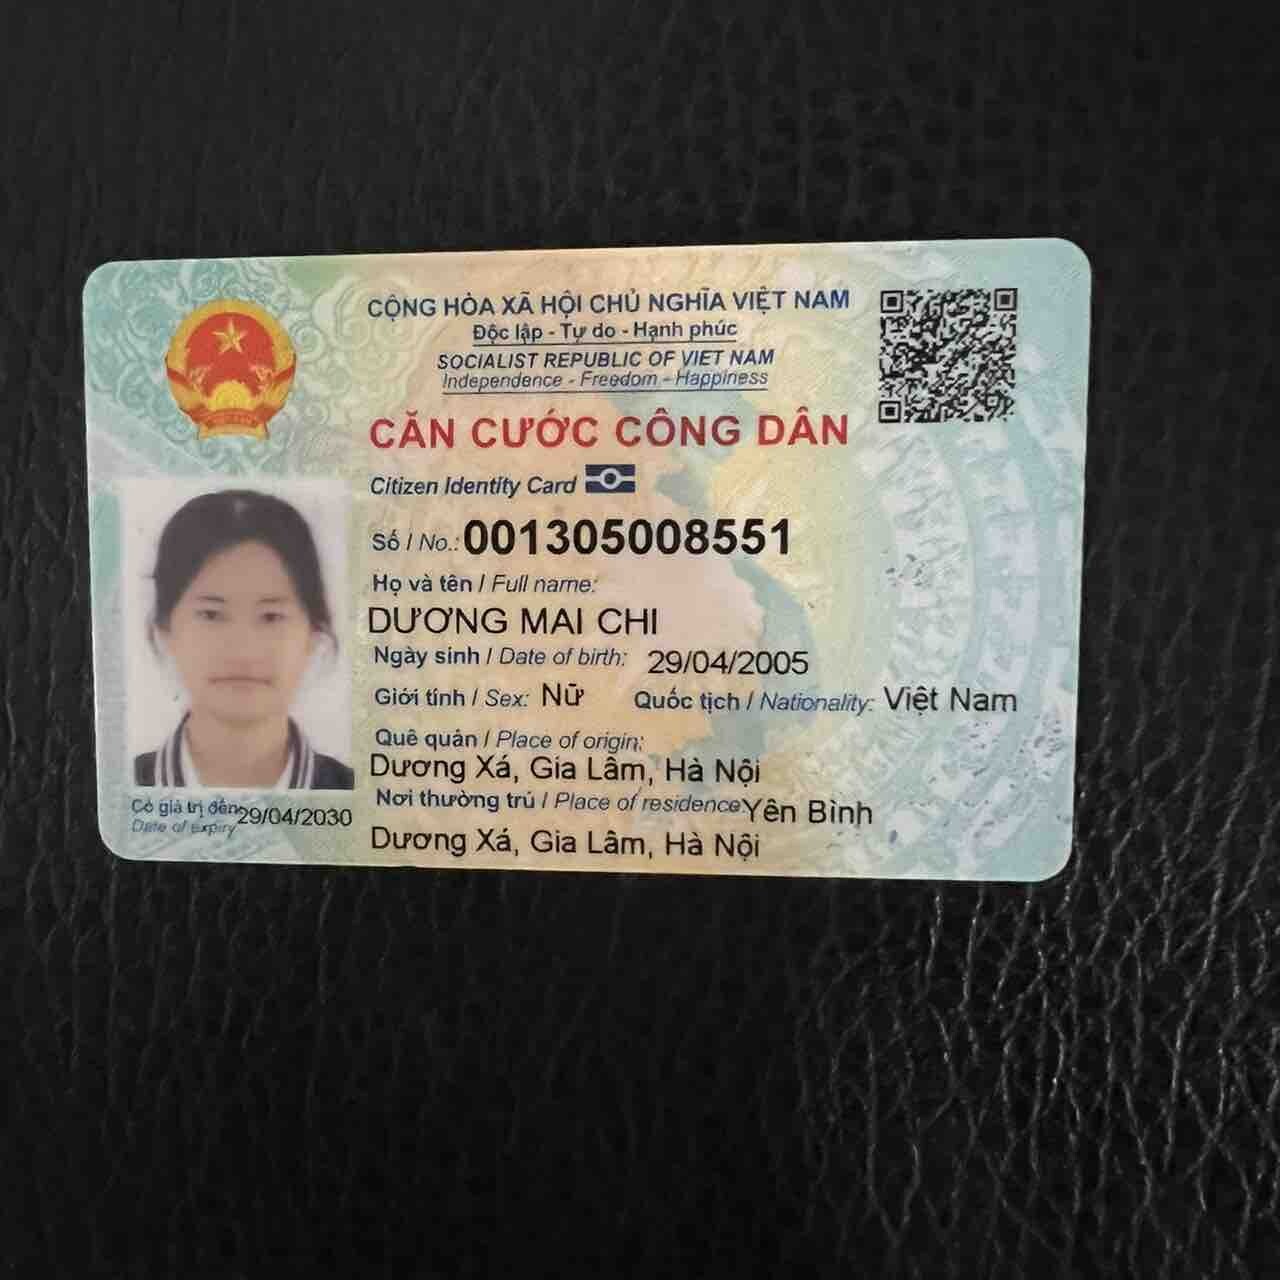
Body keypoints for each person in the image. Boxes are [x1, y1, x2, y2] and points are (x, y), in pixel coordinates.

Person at [134, 489, 354, 789]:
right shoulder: (117, 787)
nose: (243, 650)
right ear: (165, 629)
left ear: (313, 635)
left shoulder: (359, 794)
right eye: (211, 615)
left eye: (271, 617)